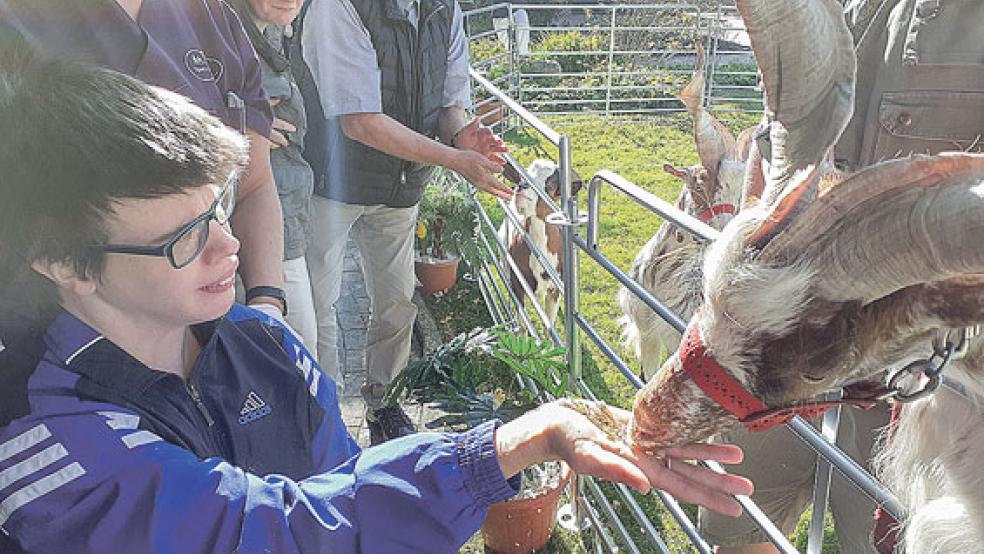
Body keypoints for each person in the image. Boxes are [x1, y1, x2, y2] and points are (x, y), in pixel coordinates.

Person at [0, 52, 755, 554]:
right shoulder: (54, 453)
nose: (230, 247)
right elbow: (273, 533)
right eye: (181, 239)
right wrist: (504, 448)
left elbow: (338, 483)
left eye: (220, 208)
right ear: (65, 263)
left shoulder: (263, 346)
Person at [698, 1, 984, 553]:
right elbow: (776, 148)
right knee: (740, 501)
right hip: (781, 332)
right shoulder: (855, 7)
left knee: (875, 528)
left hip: (923, 378)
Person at [299, 0, 514, 444]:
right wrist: (454, 157)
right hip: (332, 183)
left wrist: (461, 134)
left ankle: (384, 402)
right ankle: (324, 412)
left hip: (401, 185)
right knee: (318, 304)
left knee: (398, 300)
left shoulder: (443, 9)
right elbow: (359, 122)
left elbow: (448, 103)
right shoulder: (339, 6)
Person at [0, 0, 288, 325]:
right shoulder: (15, 23)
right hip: (56, 338)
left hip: (210, 323)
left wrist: (266, 304)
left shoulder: (211, 17)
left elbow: (254, 184)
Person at [226, 0, 319, 356]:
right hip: (239, 237)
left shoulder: (272, 29)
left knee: (299, 355)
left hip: (284, 222)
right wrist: (231, 125)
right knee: (293, 355)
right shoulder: (216, 26)